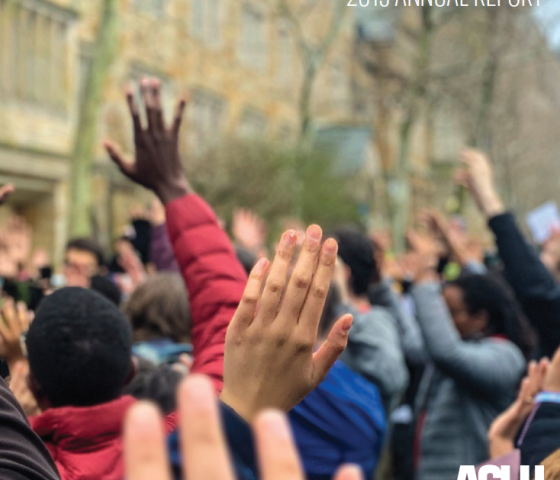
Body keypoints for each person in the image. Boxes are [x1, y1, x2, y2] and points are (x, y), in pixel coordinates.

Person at [404, 231, 531, 480]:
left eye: (451, 312)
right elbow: (412, 346)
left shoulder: (506, 356)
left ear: (480, 319)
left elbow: (446, 353)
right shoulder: (462, 346)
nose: (443, 321)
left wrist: (425, 284)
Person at [457, 148, 560, 357]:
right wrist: (483, 200)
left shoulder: (548, 300)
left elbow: (531, 276)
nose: (551, 235)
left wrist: (488, 196)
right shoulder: (528, 291)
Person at [330, 226, 408, 413]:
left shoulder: (375, 321)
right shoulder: (328, 317)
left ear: (341, 273)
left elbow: (393, 377)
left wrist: (341, 302)